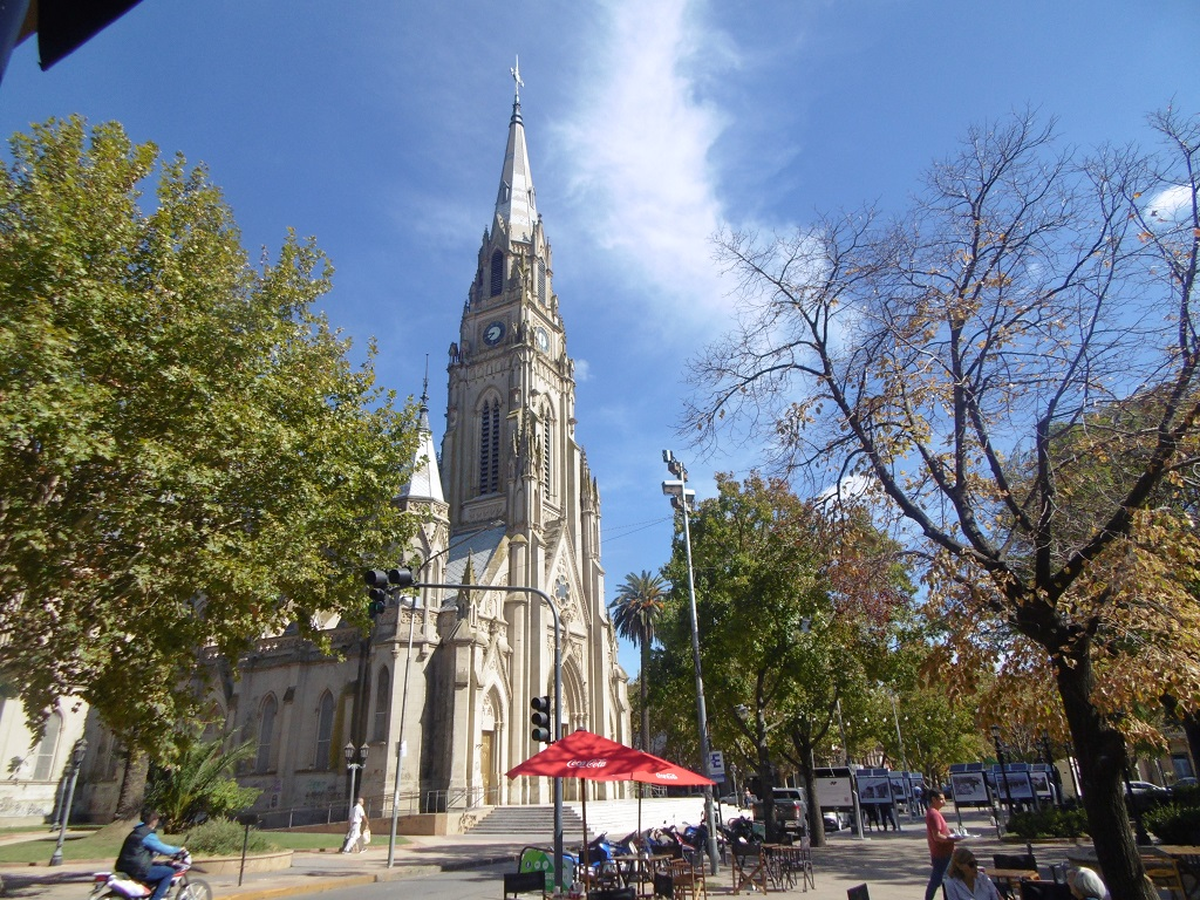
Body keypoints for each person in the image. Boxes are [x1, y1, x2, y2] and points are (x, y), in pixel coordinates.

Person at [114, 809, 185, 900]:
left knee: (156, 866)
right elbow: (162, 848)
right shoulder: (147, 835)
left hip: (124, 866)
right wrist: (178, 850)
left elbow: (140, 850)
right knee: (169, 872)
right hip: (138, 869)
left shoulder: (136, 831)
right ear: (154, 821)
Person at [924, 789, 962, 900]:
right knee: (938, 879)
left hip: (943, 852)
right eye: (941, 799)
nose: (944, 801)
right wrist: (954, 839)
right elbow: (937, 836)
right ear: (933, 799)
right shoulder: (934, 814)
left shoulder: (934, 812)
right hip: (941, 853)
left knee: (946, 879)